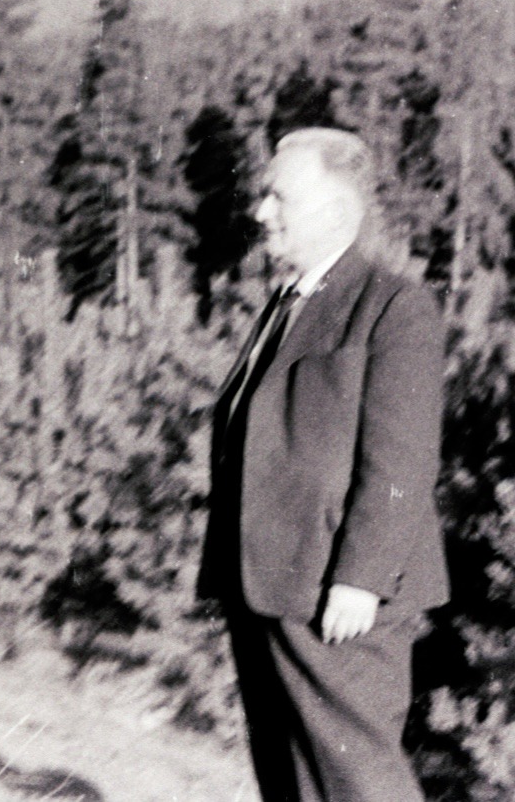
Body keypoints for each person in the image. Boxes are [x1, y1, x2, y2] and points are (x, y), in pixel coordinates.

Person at [197, 127, 449, 802]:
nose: (259, 212)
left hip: (336, 594)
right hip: (267, 583)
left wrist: (360, 579)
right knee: (287, 776)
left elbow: (400, 457)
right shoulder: (284, 306)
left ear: (336, 211)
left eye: (278, 197)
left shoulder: (393, 306)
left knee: (359, 781)